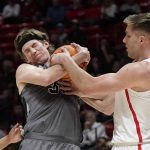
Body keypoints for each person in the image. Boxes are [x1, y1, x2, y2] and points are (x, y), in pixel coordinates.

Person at [51, 12, 150, 150]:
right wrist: (79, 91)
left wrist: (66, 58)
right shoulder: (135, 70)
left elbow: (89, 86)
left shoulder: (141, 69)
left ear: (141, 40)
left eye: (128, 35)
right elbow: (107, 107)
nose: (123, 40)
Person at [14, 28, 90, 150]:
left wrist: (83, 64)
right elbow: (46, 78)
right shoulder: (23, 70)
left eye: (34, 45)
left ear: (46, 43)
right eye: (27, 51)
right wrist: (78, 58)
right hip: (39, 142)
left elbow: (90, 90)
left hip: (72, 144)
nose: (32, 51)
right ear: (26, 58)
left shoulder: (68, 69)